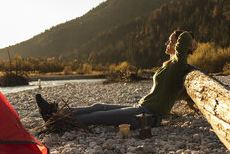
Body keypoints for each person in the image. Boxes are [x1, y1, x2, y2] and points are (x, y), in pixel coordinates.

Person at [36, 30, 198, 130]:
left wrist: (190, 41)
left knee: (99, 116)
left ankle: (57, 122)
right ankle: (56, 112)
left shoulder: (178, 64)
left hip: (149, 116)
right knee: (98, 106)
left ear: (177, 44)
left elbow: (184, 38)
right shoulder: (169, 65)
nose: (167, 42)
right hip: (143, 107)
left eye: (170, 40)